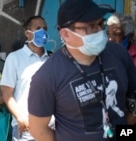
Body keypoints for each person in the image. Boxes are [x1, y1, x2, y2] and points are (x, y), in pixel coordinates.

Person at [27, 0, 136, 141]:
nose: (99, 32)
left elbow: (133, 96)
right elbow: (39, 130)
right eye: (91, 27)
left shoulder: (118, 53)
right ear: (66, 34)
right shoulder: (46, 77)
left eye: (100, 24)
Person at [0, 15, 49, 140]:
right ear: (27, 33)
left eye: (45, 28)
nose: (42, 32)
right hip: (25, 127)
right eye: (38, 28)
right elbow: (7, 93)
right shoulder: (14, 58)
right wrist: (20, 118)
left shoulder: (51, 59)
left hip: (50, 126)